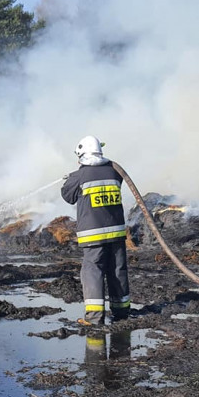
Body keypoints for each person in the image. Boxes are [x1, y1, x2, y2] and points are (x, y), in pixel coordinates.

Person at [61, 136, 130, 325]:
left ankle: (94, 317)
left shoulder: (80, 175)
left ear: (82, 155)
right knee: (117, 270)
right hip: (116, 232)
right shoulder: (114, 171)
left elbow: (68, 196)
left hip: (93, 234)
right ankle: (122, 312)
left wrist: (71, 180)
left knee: (92, 271)